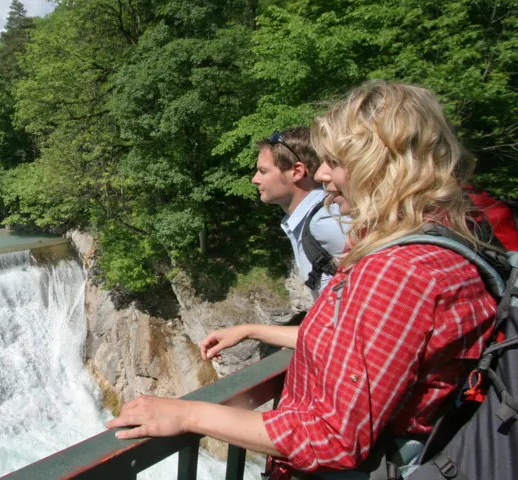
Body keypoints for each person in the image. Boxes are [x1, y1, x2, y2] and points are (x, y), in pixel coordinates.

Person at [105, 81, 498, 479]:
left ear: (381, 165)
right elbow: (359, 342)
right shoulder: (449, 239)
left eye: (336, 162)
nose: (321, 174)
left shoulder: (397, 272)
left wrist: (187, 413)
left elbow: (332, 438)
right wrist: (251, 329)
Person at [252, 127, 347, 298]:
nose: (255, 179)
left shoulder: (326, 221)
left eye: (263, 171)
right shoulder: (307, 221)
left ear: (296, 171)